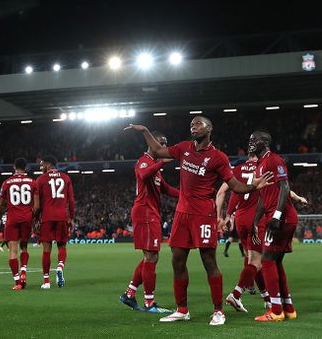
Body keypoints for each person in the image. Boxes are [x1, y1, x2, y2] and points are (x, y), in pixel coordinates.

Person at [126, 117, 272, 325]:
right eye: (191, 124)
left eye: (198, 124)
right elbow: (157, 151)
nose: (193, 126)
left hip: (204, 214)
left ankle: (218, 311)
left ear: (209, 129)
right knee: (177, 260)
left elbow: (233, 185)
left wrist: (253, 186)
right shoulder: (184, 148)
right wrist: (144, 131)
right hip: (182, 214)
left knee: (209, 261)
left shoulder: (218, 157)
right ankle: (182, 309)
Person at [217, 155, 309, 312]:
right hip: (256, 218)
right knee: (259, 262)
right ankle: (236, 294)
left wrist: (224, 216)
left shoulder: (236, 170)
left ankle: (267, 299)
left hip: (240, 218)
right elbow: (281, 188)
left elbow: (222, 193)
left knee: (251, 259)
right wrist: (298, 198)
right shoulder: (263, 167)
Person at [120, 132, 180, 313]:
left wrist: (186, 194)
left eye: (164, 144)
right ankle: (149, 303)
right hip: (145, 212)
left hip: (151, 212)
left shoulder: (155, 165)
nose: (162, 147)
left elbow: (166, 189)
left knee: (150, 257)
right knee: (151, 257)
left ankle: (129, 294)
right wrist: (162, 162)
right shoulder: (144, 161)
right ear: (151, 144)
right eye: (160, 144)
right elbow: (143, 175)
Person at [250, 130, 299, 322]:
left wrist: (277, 216)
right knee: (276, 262)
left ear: (265, 142)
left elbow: (285, 187)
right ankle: (288, 308)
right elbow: (263, 198)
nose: (251, 142)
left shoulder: (274, 160)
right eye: (250, 140)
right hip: (274, 217)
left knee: (267, 261)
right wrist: (256, 220)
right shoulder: (260, 164)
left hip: (281, 219)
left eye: (255, 139)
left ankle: (276, 310)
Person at [0, 158, 36, 290]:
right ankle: (23, 272)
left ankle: (17, 282)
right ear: (26, 168)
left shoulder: (7, 183)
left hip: (12, 219)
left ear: (14, 167)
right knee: (24, 248)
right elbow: (37, 205)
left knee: (12, 251)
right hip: (27, 218)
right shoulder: (32, 182)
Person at [33, 155, 74, 289]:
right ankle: (60, 267)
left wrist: (35, 220)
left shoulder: (40, 180)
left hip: (47, 217)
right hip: (62, 216)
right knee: (62, 246)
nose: (41, 167)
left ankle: (46, 282)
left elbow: (37, 206)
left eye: (42, 164)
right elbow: (71, 202)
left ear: (48, 164)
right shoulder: (66, 178)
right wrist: (71, 218)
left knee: (46, 250)